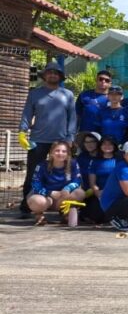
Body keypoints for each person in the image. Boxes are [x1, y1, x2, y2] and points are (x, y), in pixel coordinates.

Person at [19, 62, 76, 216]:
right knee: (32, 173)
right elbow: (27, 114)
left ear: (60, 76)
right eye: (49, 72)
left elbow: (72, 119)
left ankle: (61, 206)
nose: (52, 75)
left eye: (56, 73)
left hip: (61, 141)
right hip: (37, 140)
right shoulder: (34, 94)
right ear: (44, 75)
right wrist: (22, 132)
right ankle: (27, 206)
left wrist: (70, 137)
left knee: (64, 173)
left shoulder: (68, 95)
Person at [26, 141, 83, 226]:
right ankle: (39, 214)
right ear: (51, 152)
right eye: (57, 150)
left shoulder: (73, 164)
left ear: (68, 154)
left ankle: (65, 213)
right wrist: (49, 192)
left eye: (64, 151)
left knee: (80, 193)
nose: (60, 153)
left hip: (63, 196)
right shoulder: (42, 165)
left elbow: (77, 180)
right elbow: (35, 183)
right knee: (37, 201)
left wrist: (68, 188)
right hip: (46, 197)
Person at [75, 69, 112, 134]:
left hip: (105, 136)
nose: (103, 81)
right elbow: (77, 116)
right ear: (96, 80)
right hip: (85, 134)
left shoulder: (114, 98)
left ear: (110, 84)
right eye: (101, 79)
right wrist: (73, 133)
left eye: (107, 80)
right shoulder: (84, 95)